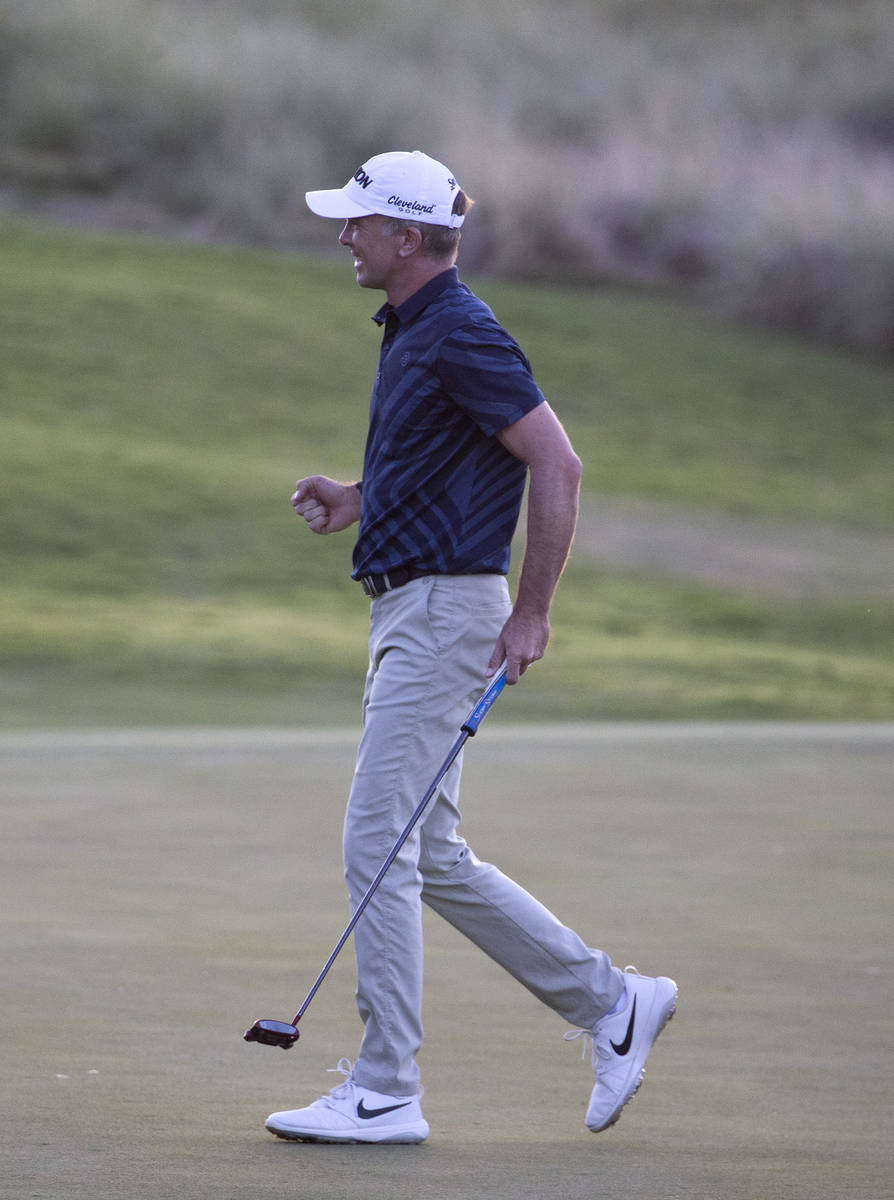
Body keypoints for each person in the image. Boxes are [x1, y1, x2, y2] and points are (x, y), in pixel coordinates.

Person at [264, 151, 676, 1144]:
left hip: (448, 614)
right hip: (411, 608)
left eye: (358, 221)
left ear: (406, 237)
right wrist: (361, 500)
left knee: (378, 844)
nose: (343, 235)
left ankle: (384, 1086)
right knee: (429, 854)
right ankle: (614, 1003)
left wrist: (532, 611)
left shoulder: (460, 330)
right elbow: (457, 465)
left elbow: (556, 462)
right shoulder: (414, 331)